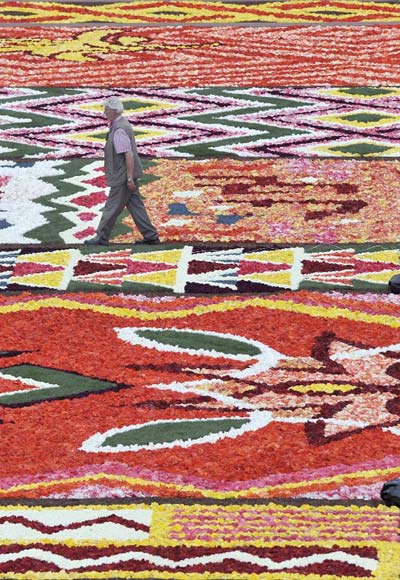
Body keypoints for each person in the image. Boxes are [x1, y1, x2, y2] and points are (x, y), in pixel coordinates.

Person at [85, 96, 160, 246]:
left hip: (122, 177)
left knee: (111, 207)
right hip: (125, 175)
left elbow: (128, 154)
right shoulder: (119, 125)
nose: (104, 112)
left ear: (114, 111)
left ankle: (101, 237)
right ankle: (151, 236)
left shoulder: (119, 130)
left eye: (106, 110)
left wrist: (129, 178)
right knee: (136, 206)